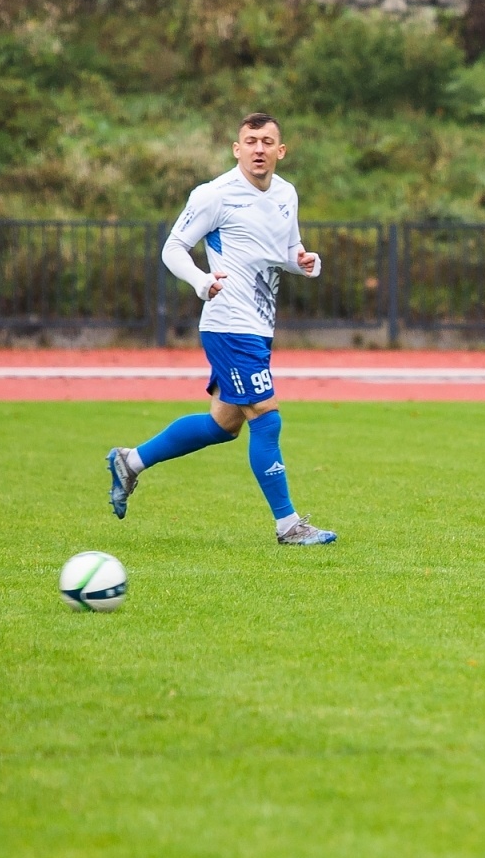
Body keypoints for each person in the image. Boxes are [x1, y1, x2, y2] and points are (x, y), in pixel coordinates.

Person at [106, 113, 336, 546]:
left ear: (280, 151)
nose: (259, 149)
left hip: (259, 325)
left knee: (223, 425)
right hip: (229, 323)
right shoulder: (214, 195)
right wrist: (200, 281)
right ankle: (289, 526)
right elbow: (172, 248)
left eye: (268, 141)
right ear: (237, 148)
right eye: (251, 140)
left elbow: (287, 250)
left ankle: (130, 461)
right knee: (266, 419)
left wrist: (304, 261)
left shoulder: (287, 194)